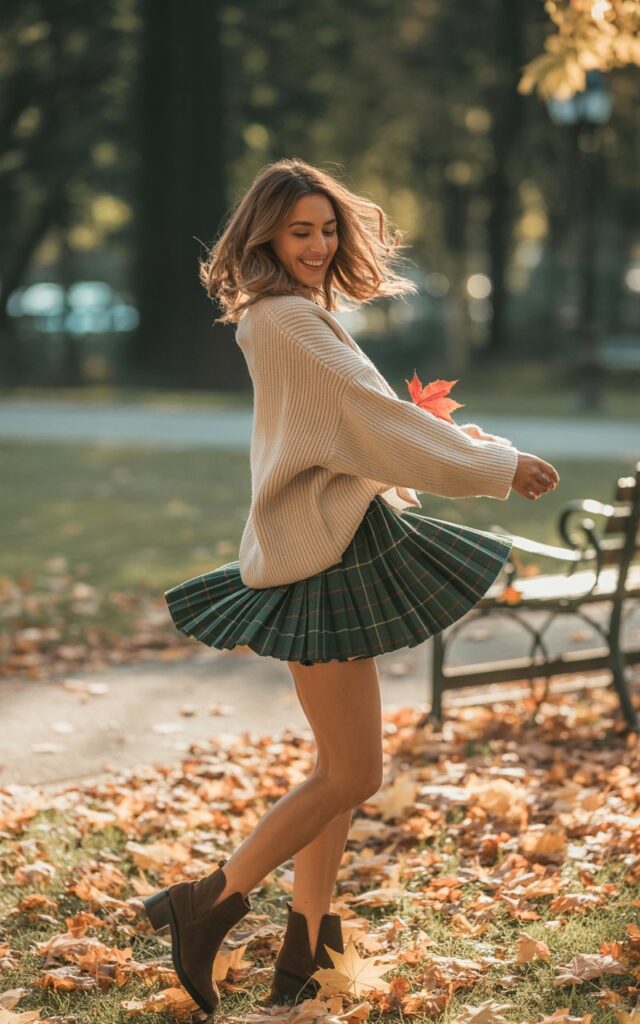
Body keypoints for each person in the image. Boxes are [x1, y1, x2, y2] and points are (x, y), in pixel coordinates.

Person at [141, 158, 560, 1017]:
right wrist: (497, 463)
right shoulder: (286, 321)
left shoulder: (297, 316)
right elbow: (370, 425)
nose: (320, 245)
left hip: (339, 545)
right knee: (355, 774)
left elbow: (363, 425)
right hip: (323, 560)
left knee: (339, 767)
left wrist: (447, 438)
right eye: (301, 232)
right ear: (263, 234)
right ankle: (206, 902)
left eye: (328, 230)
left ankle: (306, 942)